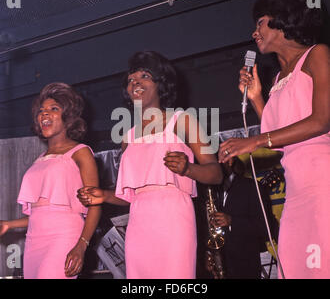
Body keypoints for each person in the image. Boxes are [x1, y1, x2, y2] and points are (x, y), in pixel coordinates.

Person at [218, 0, 330, 279]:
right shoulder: (279, 76)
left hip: (322, 181)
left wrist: (253, 141)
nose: (255, 32)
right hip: (296, 189)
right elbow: (278, 138)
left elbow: (321, 121)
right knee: (294, 268)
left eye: (260, 22)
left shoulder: (317, 54)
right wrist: (256, 98)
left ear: (282, 19)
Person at [78, 50, 223, 279]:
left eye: (144, 76)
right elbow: (129, 195)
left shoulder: (183, 120)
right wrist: (103, 195)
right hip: (138, 224)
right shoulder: (129, 137)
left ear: (160, 83)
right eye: (130, 80)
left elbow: (215, 173)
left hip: (174, 218)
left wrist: (188, 169)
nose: (135, 82)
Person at [0, 83, 101, 279]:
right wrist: (9, 224)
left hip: (64, 236)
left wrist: (81, 245)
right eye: (41, 110)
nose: (44, 114)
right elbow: (41, 213)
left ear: (68, 117)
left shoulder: (80, 152)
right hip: (34, 242)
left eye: (53, 109)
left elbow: (95, 205)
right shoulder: (39, 160)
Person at [209, 157, 278, 279]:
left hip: (244, 267)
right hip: (216, 265)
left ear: (229, 161)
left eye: (214, 159)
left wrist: (232, 221)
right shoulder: (209, 190)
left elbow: (267, 227)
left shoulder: (251, 186)